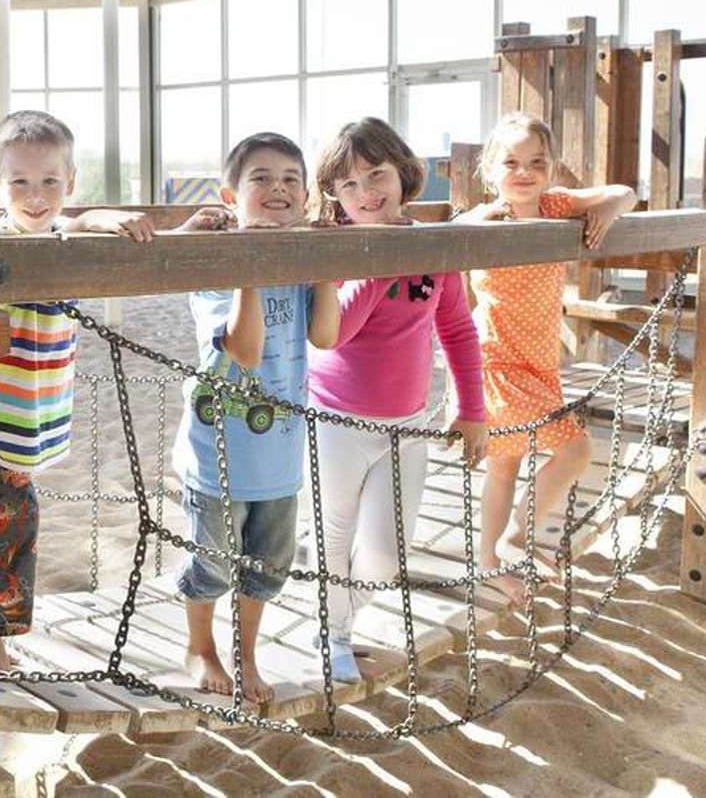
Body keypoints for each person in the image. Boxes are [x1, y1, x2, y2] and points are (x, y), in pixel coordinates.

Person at [309, 117, 487, 684]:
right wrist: (379, 261)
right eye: (349, 185)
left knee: (385, 559)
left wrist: (472, 410)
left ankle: (338, 613)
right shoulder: (333, 250)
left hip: (408, 423)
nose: (366, 193)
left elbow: (457, 329)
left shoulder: (433, 247)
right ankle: (334, 633)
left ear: (404, 174)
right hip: (333, 417)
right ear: (334, 196)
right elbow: (336, 333)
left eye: (376, 175)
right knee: (332, 534)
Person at [172, 132, 340, 704]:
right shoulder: (216, 264)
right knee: (213, 567)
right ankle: (201, 647)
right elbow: (243, 350)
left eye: (292, 180)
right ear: (231, 196)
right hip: (218, 454)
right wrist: (248, 259)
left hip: (280, 455)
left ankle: (245, 652)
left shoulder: (297, 260)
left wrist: (322, 262)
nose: (279, 189)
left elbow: (325, 335)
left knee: (267, 567)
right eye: (261, 179)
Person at [0, 109, 155, 668]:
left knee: (11, 520)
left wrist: (96, 220)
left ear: (71, 184)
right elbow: (19, 249)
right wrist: (84, 221)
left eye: (50, 182)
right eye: (20, 182)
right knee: (7, 521)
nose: (35, 195)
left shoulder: (68, 241)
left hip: (31, 414)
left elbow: (73, 236)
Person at [458, 112, 636, 602]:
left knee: (507, 464)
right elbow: (454, 233)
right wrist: (474, 220)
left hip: (540, 362)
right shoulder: (488, 218)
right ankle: (514, 536)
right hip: (496, 360)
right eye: (511, 162)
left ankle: (491, 557)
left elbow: (625, 191)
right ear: (491, 170)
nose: (524, 172)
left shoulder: (556, 204)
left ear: (551, 167)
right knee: (573, 450)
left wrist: (608, 211)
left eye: (536, 161)